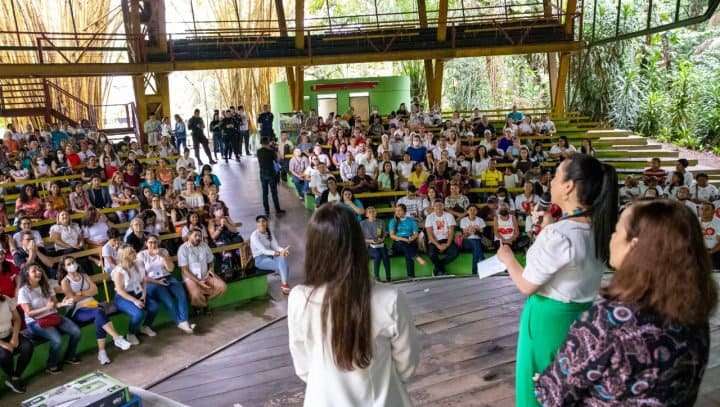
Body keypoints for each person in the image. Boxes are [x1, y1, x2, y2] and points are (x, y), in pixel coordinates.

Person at [535, 199, 718, 405]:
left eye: (616, 231)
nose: (611, 237)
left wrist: (542, 380)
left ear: (634, 245)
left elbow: (553, 395)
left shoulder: (607, 322)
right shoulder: (695, 315)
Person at [496, 153, 618, 407]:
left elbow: (526, 284)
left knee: (538, 387)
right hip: (581, 317)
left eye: (555, 176)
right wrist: (551, 227)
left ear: (568, 186)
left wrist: (508, 259)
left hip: (547, 322)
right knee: (569, 385)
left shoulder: (558, 235)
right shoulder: (598, 227)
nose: (550, 182)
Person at [287, 203, 420, 406]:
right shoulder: (390, 298)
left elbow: (303, 366)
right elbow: (406, 364)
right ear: (358, 244)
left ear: (313, 247)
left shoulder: (298, 298)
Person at [58, 256, 132, 365]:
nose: (72, 265)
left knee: (99, 316)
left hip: (93, 305)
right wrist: (86, 293)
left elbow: (95, 290)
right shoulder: (65, 282)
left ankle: (102, 352)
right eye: (68, 264)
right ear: (64, 267)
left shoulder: (84, 275)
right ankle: (116, 338)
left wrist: (81, 293)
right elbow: (73, 299)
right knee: (99, 312)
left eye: (73, 262)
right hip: (78, 310)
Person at [18, 264, 81, 374]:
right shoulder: (23, 291)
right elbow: (29, 313)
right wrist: (46, 308)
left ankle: (69, 356)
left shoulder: (46, 285)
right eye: (34, 271)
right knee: (57, 340)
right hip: (35, 322)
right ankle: (51, 364)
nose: (38, 272)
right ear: (27, 275)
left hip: (52, 316)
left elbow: (55, 304)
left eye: (39, 270)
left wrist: (63, 304)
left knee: (76, 332)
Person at [137, 235, 195, 334]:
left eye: (155, 242)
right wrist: (158, 282)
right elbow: (142, 277)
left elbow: (171, 269)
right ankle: (180, 323)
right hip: (152, 282)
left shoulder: (163, 251)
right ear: (146, 243)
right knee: (168, 300)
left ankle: (184, 321)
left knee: (181, 293)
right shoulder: (141, 255)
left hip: (167, 277)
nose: (153, 244)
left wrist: (163, 256)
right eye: (150, 242)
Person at [111, 245, 158, 345]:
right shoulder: (118, 271)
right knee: (138, 313)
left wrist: (144, 294)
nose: (134, 253)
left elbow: (144, 280)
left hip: (138, 292)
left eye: (133, 251)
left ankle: (145, 327)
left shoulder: (138, 263)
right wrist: (135, 301)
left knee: (154, 306)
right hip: (123, 297)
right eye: (131, 252)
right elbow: (120, 290)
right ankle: (131, 334)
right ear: (125, 256)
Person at [179, 228, 227, 309]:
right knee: (196, 294)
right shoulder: (183, 249)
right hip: (190, 278)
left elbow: (211, 260)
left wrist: (211, 270)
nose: (198, 238)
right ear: (189, 236)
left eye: (200, 236)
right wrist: (198, 282)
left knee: (222, 287)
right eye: (196, 235)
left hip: (205, 275)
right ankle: (202, 306)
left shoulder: (204, 245)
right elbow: (184, 270)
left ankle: (203, 302)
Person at [0, 292, 33, 393]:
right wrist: (4, 344)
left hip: (10, 333)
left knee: (28, 346)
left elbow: (17, 319)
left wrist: (15, 337)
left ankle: (15, 377)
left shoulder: (5, 298)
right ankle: (10, 377)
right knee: (5, 355)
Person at [250, 215, 291, 295]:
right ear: (256, 224)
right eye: (259, 222)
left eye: (263, 221)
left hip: (271, 257)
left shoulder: (269, 232)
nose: (261, 223)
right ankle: (284, 284)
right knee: (283, 265)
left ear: (267, 223)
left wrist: (283, 250)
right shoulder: (254, 235)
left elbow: (275, 246)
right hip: (260, 260)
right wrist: (278, 253)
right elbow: (263, 250)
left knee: (283, 261)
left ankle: (284, 283)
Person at [389, 204, 426, 278]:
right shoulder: (393, 221)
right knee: (404, 244)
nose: (397, 212)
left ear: (405, 212)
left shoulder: (411, 221)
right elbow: (392, 235)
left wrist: (412, 238)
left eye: (400, 210)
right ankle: (416, 257)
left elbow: (416, 234)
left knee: (408, 249)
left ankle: (411, 276)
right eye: (396, 210)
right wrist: (403, 239)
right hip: (398, 243)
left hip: (410, 241)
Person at [425, 199, 459, 276]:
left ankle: (438, 267)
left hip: (447, 240)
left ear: (443, 206)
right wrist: (437, 245)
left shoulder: (449, 216)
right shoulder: (429, 217)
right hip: (434, 241)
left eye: (440, 205)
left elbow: (451, 232)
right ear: (433, 207)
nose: (438, 207)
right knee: (431, 254)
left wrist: (447, 244)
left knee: (454, 253)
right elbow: (429, 234)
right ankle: (441, 271)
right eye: (436, 205)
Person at [361, 207, 392, 282]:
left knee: (385, 256)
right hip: (369, 245)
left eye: (373, 211)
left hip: (380, 244)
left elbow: (384, 234)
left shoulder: (381, 222)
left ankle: (388, 277)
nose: (372, 213)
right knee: (377, 255)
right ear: (366, 215)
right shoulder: (362, 223)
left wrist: (382, 239)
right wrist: (371, 241)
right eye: (370, 212)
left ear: (376, 213)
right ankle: (376, 277)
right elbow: (361, 238)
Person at [257, 137, 285, 217]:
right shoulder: (271, 151)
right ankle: (277, 209)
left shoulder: (258, 152)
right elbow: (278, 160)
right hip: (271, 174)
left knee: (264, 193)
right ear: (268, 143)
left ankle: (267, 211)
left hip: (262, 174)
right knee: (274, 193)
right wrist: (276, 150)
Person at [459, 205, 486, 275]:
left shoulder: (480, 220)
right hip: (466, 242)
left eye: (474, 210)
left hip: (478, 241)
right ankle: (483, 260)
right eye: (470, 210)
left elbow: (481, 234)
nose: (472, 211)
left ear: (476, 211)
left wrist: (475, 232)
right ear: (467, 211)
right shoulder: (463, 220)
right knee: (475, 243)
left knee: (476, 251)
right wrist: (473, 231)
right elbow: (465, 235)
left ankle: (474, 272)